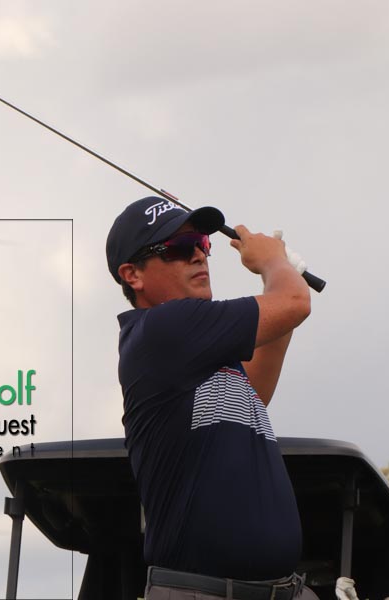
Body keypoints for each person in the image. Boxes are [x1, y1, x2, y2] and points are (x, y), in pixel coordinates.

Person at [106, 196, 317, 600]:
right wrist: (274, 264)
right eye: (179, 248)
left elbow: (255, 389)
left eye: (203, 244)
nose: (198, 255)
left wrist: (284, 277)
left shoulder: (196, 350)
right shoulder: (164, 328)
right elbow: (293, 304)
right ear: (133, 275)